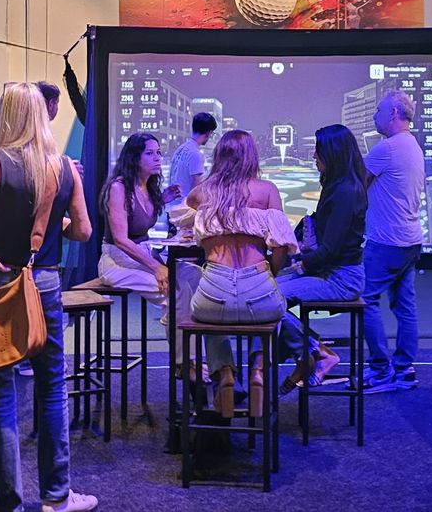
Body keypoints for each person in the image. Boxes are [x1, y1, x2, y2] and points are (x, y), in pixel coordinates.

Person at [0, 83, 97, 512]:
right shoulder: (64, 169)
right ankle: (56, 499)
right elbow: (83, 233)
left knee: (0, 394)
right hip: (46, 284)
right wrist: (56, 224)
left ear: (6, 115)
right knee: (52, 388)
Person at [188, 129, 296, 418]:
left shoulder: (203, 192)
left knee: (205, 320)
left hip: (215, 289)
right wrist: (270, 272)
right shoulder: (268, 190)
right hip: (258, 284)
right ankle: (258, 369)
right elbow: (282, 246)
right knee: (274, 311)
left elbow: (187, 214)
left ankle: (224, 372)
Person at [276, 124, 368, 392]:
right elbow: (320, 226)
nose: (313, 156)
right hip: (331, 271)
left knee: (268, 298)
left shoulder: (346, 192)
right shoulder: (338, 185)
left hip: (342, 278)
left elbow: (331, 249)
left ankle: (317, 353)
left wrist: (302, 264)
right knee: (264, 291)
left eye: (318, 151)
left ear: (333, 153)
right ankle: (306, 356)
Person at [361, 89, 427, 392]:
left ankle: (381, 370)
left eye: (378, 111)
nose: (374, 116)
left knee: (366, 301)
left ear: (392, 114)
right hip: (411, 240)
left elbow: (357, 184)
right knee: (405, 305)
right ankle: (404, 369)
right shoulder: (413, 145)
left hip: (385, 241)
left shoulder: (385, 149)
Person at [97, 133, 170, 311]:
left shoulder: (148, 187)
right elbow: (121, 240)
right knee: (173, 293)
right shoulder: (119, 188)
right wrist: (156, 267)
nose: (157, 158)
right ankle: (186, 338)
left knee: (188, 280)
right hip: (117, 262)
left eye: (159, 153)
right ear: (134, 157)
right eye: (150, 153)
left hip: (142, 257)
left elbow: (142, 220)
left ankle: (190, 337)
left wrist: (162, 199)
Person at [167, 112, 216, 202]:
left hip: (172, 206)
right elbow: (199, 187)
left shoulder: (180, 149)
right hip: (183, 209)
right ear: (208, 133)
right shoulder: (195, 154)